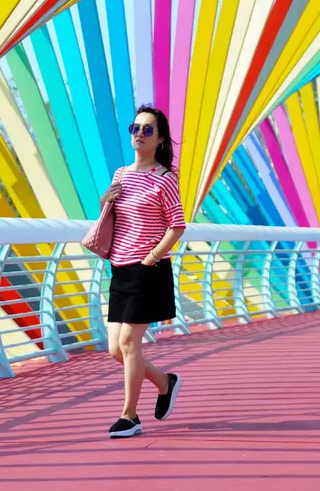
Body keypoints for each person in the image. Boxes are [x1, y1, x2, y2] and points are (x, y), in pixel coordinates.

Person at [100, 106, 186, 438]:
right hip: (119, 268)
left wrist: (151, 257)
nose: (139, 133)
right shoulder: (121, 174)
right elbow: (116, 217)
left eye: (148, 130)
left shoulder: (164, 179)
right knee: (115, 349)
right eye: (135, 127)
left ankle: (129, 416)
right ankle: (166, 383)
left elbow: (177, 226)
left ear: (160, 139)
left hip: (147, 268)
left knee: (129, 341)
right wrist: (104, 200)